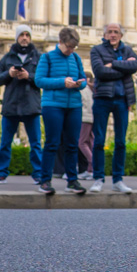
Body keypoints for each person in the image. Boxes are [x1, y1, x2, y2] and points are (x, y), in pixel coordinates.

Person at [89, 21, 137, 192]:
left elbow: (135, 65)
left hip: (122, 99)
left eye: (116, 32)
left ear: (121, 35)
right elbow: (100, 71)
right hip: (102, 99)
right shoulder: (96, 50)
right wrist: (124, 67)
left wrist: (113, 64)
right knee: (99, 140)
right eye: (109, 31)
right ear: (104, 35)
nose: (112, 35)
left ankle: (118, 180)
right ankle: (98, 178)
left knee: (120, 142)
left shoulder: (127, 50)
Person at [35, 26, 88, 195]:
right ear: (60, 42)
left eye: (73, 47)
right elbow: (39, 80)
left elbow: (84, 79)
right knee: (52, 143)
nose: (70, 50)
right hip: (52, 105)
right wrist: (62, 82)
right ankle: (45, 181)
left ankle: (72, 181)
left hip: (74, 105)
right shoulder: (47, 57)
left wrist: (80, 84)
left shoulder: (76, 58)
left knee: (72, 144)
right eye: (68, 47)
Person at [0, 22, 43, 187]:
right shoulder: (7, 58)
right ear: (17, 38)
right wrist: (9, 73)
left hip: (31, 105)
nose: (25, 38)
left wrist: (28, 76)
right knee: (5, 142)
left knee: (35, 143)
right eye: (22, 35)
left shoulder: (38, 57)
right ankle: (0, 174)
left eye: (27, 35)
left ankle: (39, 174)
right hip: (11, 105)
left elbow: (43, 80)